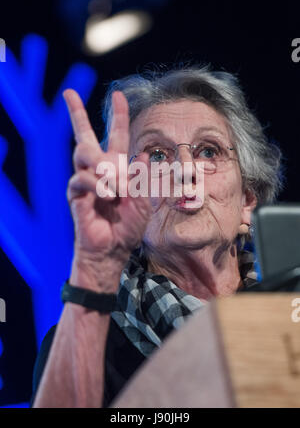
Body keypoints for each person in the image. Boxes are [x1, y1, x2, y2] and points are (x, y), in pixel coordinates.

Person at [31, 64, 284, 408]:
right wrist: (92, 269)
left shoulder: (289, 309)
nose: (184, 170)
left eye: (208, 151)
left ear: (247, 202)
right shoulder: (86, 341)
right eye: (157, 155)